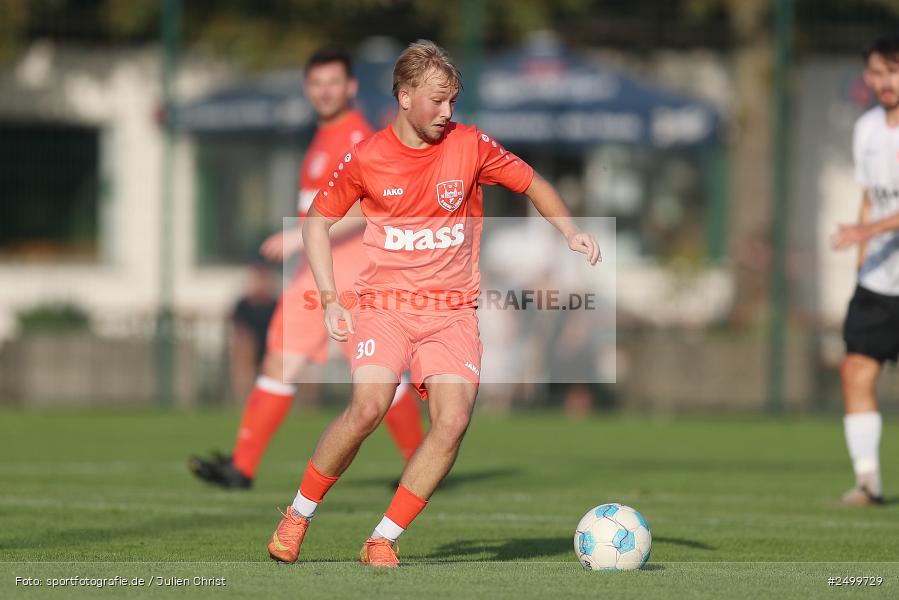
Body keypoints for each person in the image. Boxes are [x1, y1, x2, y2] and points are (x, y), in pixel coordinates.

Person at [266, 40, 600, 567]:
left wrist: (571, 232)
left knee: (452, 422)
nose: (447, 113)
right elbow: (316, 223)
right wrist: (330, 298)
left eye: (453, 102)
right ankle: (298, 514)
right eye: (436, 101)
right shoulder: (369, 156)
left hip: (451, 314)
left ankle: (382, 537)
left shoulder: (470, 145)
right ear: (404, 97)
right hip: (384, 306)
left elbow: (534, 183)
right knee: (368, 407)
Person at [189, 46, 424, 490]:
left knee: (380, 376)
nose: (324, 91)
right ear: (307, 89)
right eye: (316, 84)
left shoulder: (357, 138)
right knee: (280, 362)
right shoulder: (322, 139)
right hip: (311, 277)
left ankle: (421, 463)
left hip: (354, 276)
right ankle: (241, 468)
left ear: (350, 87)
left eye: (333, 82)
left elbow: (375, 207)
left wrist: (301, 235)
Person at [830, 33, 899, 507]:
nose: (884, 82)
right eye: (876, 72)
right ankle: (868, 480)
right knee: (856, 369)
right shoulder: (868, 127)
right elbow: (868, 196)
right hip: (878, 277)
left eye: (892, 71)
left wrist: (866, 229)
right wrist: (860, 257)